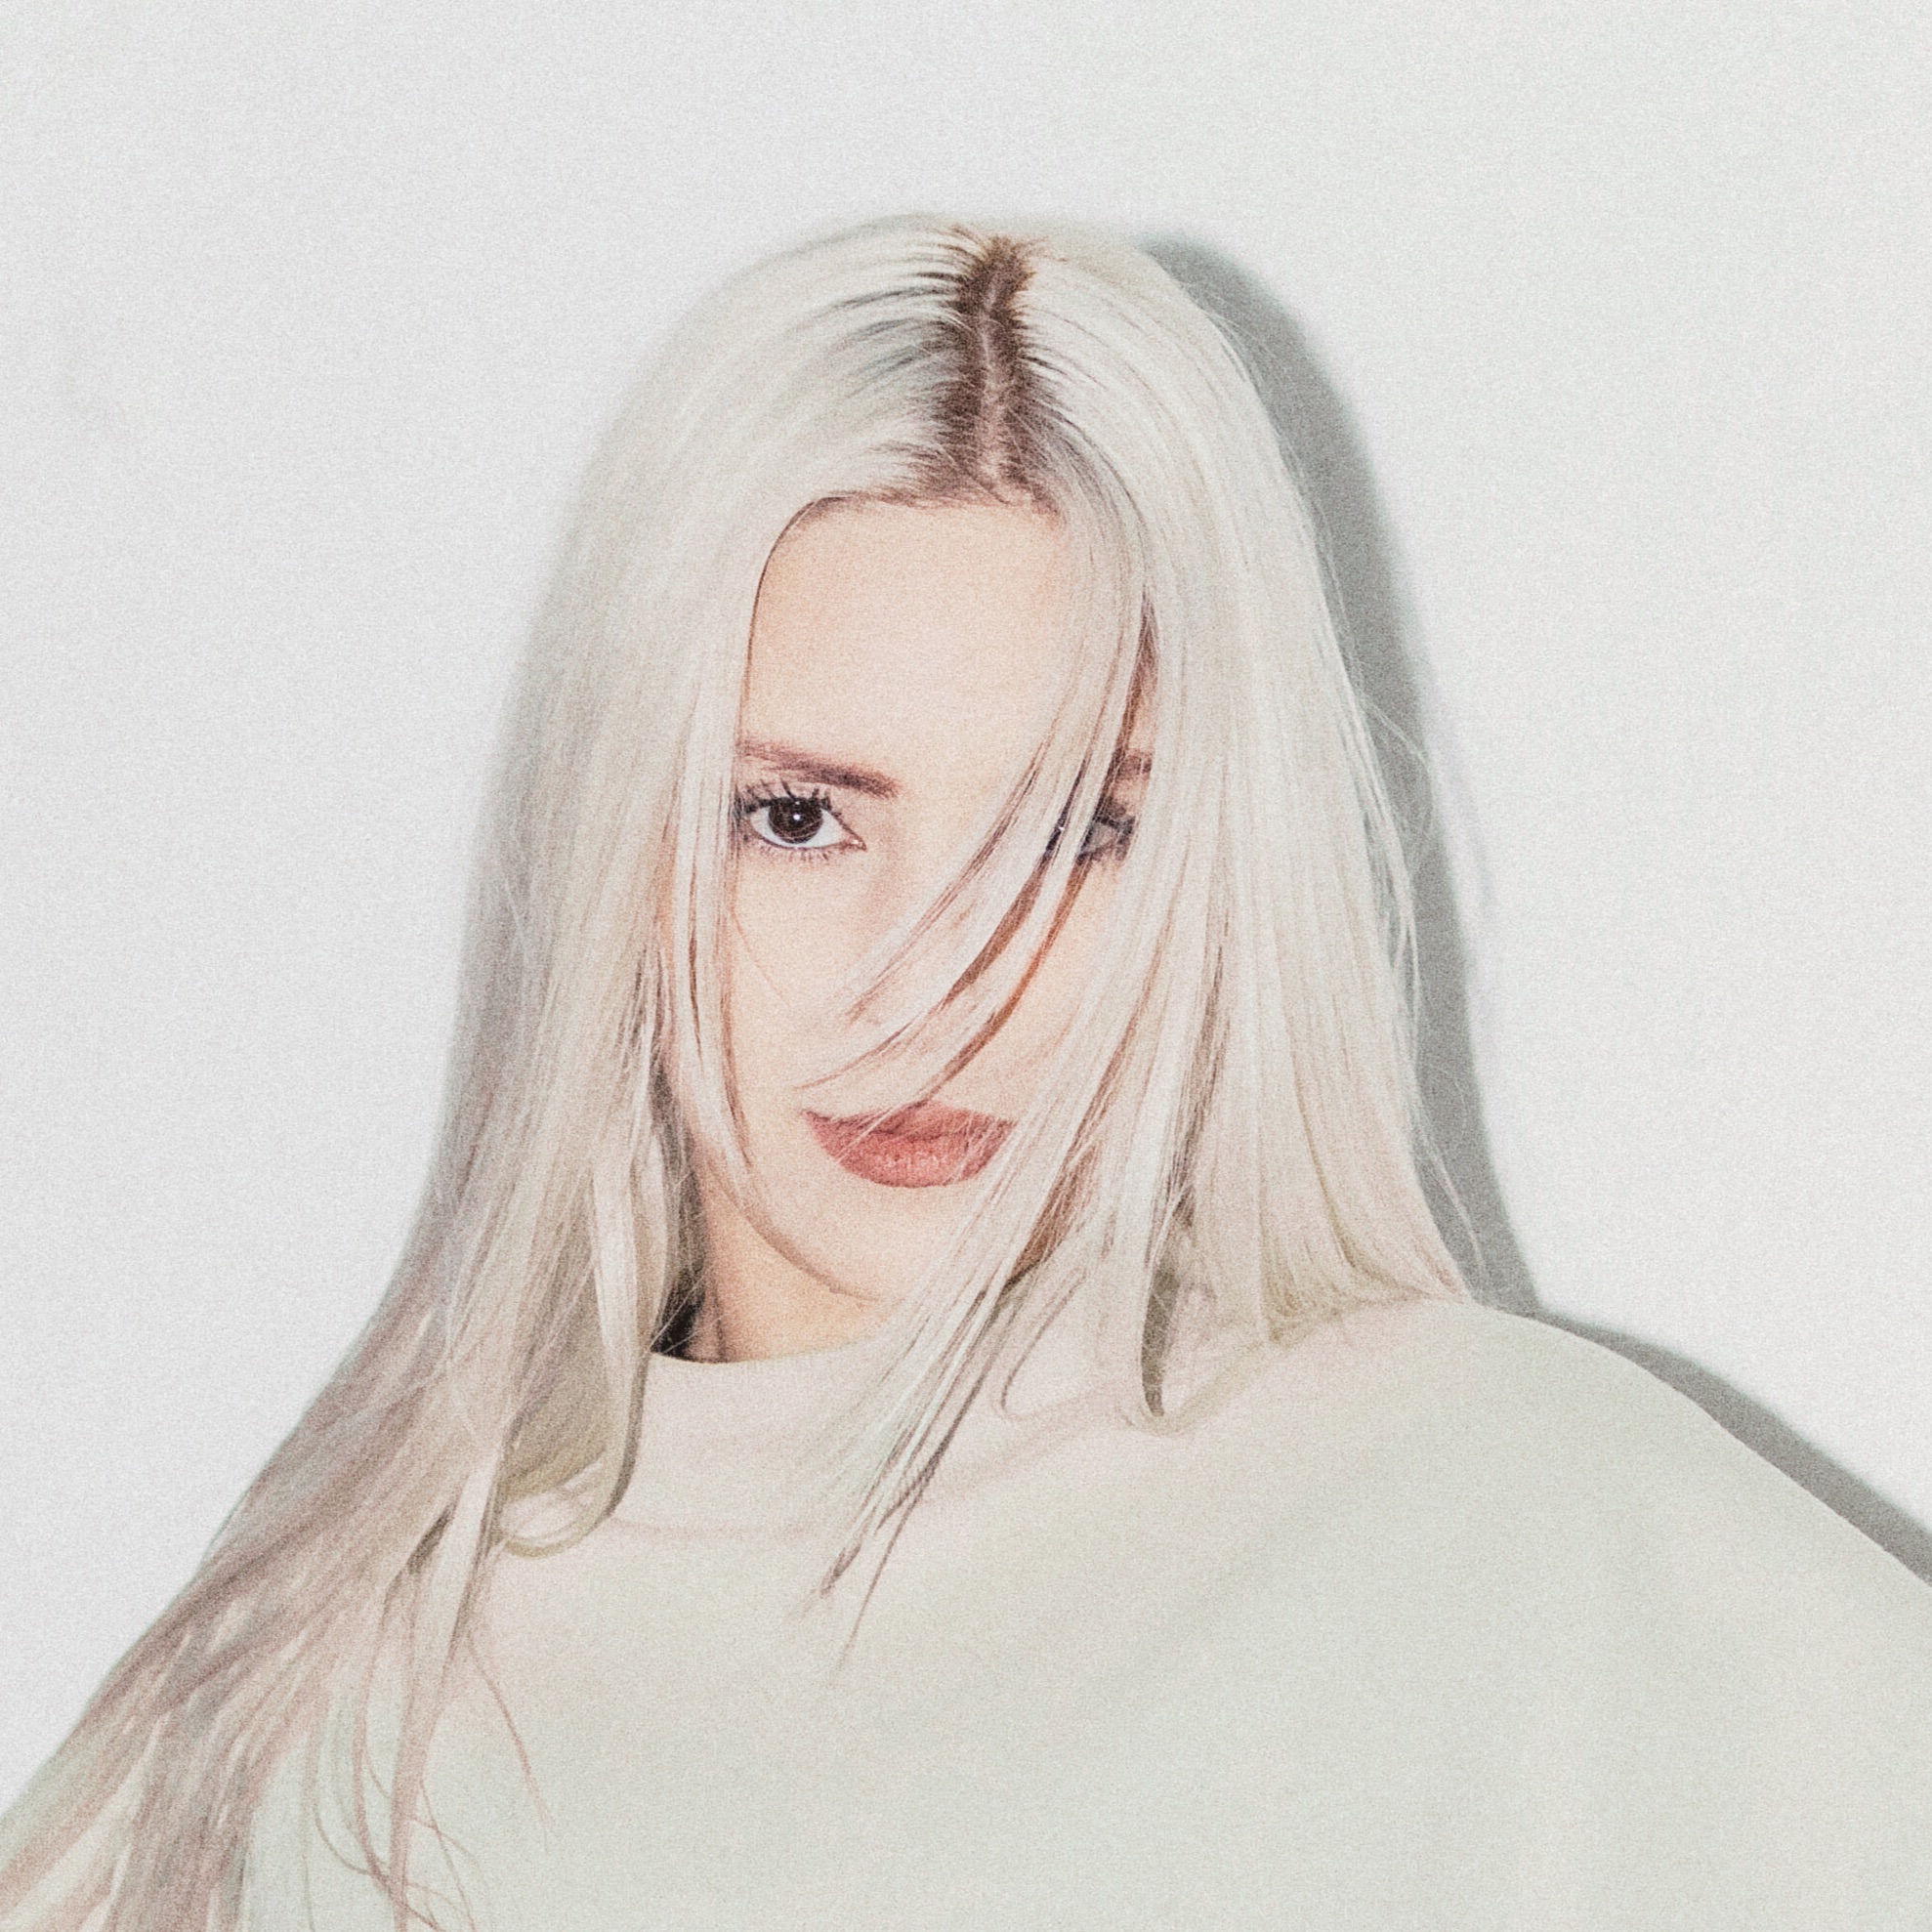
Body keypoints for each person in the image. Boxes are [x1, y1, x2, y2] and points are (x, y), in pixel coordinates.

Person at [4, 216, 1930, 1932]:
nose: (933, 981)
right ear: (611, 855)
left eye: (1075, 832)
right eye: (794, 817)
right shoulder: (328, 1666)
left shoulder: (1524, 1536)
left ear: (1217, 879)